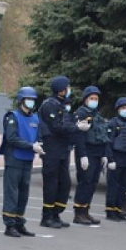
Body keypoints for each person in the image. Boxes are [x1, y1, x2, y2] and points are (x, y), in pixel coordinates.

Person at [38, 76, 86, 229]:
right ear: (61, 89)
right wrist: (76, 127)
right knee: (51, 184)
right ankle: (47, 216)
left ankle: (56, 213)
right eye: (67, 87)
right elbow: (57, 127)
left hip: (62, 150)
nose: (69, 90)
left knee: (64, 184)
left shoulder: (61, 105)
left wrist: (75, 127)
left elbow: (66, 124)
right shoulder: (49, 105)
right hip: (52, 149)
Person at [0, 87, 41, 237]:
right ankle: (9, 225)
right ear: (21, 100)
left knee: (24, 192)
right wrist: (31, 146)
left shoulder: (35, 118)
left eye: (32, 99)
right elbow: (11, 138)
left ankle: (19, 221)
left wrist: (40, 146)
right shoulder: (13, 117)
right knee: (12, 192)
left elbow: (39, 136)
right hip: (14, 158)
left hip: (28, 159)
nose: (31, 102)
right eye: (28, 99)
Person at [71, 86, 109, 225]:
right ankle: (79, 213)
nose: (94, 101)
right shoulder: (81, 113)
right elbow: (79, 135)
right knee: (85, 182)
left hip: (98, 152)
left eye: (96, 99)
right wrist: (82, 155)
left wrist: (105, 154)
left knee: (93, 183)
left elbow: (103, 135)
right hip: (87, 152)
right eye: (92, 98)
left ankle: (86, 211)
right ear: (85, 99)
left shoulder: (97, 115)